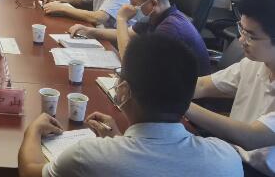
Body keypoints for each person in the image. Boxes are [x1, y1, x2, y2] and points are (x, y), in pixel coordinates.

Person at [18, 32, 243, 177]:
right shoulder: (227, 160)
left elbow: (30, 171)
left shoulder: (88, 157)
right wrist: (119, 138)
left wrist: (33, 130)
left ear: (124, 90)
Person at [186, 0, 275, 176]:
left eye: (251, 36)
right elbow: (202, 85)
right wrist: (161, 86)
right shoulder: (254, 63)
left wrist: (178, 103)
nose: (241, 40)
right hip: (231, 153)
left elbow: (251, 137)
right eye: (241, 29)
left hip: (256, 171)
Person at [68, 0, 212, 76]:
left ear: (153, 3)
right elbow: (129, 33)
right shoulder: (156, 15)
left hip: (186, 99)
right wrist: (90, 31)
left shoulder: (171, 28)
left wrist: (121, 19)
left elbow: (128, 62)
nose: (129, 6)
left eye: (133, 2)